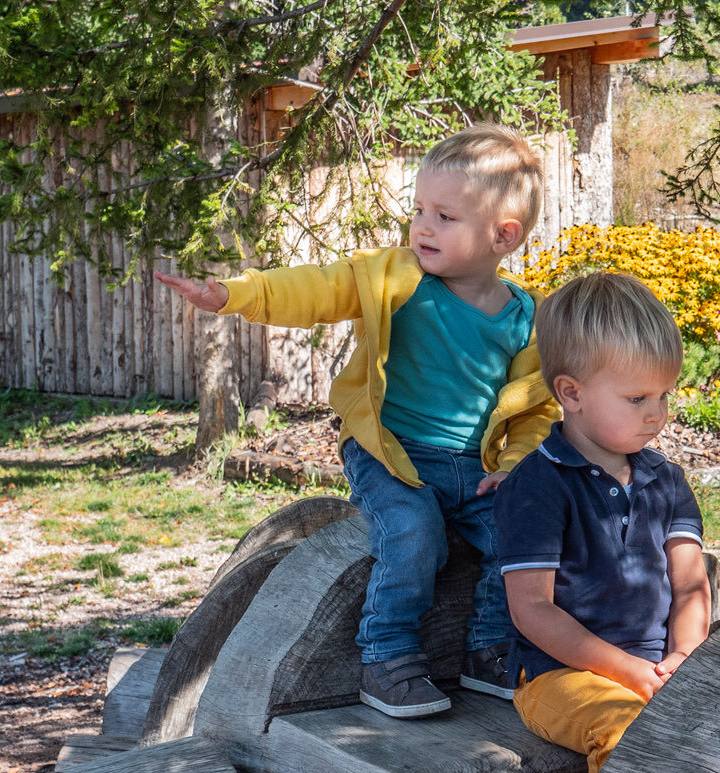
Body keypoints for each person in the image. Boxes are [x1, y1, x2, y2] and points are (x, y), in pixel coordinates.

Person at [156, 124, 557, 718]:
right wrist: (235, 295)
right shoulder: (396, 278)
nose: (422, 227)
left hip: (475, 467)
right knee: (413, 535)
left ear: (504, 235)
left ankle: (489, 647)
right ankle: (386, 656)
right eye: (418, 210)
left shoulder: (527, 318)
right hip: (392, 452)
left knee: (518, 536)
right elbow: (316, 289)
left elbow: (533, 408)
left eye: (445, 216)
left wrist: (515, 467)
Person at [496, 273, 711, 773]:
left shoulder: (665, 479)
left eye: (663, 395)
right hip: (559, 676)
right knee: (627, 734)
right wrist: (628, 671)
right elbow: (532, 610)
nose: (656, 415)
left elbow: (690, 585)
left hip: (658, 669)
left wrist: (682, 656)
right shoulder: (538, 486)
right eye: (637, 399)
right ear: (571, 393)